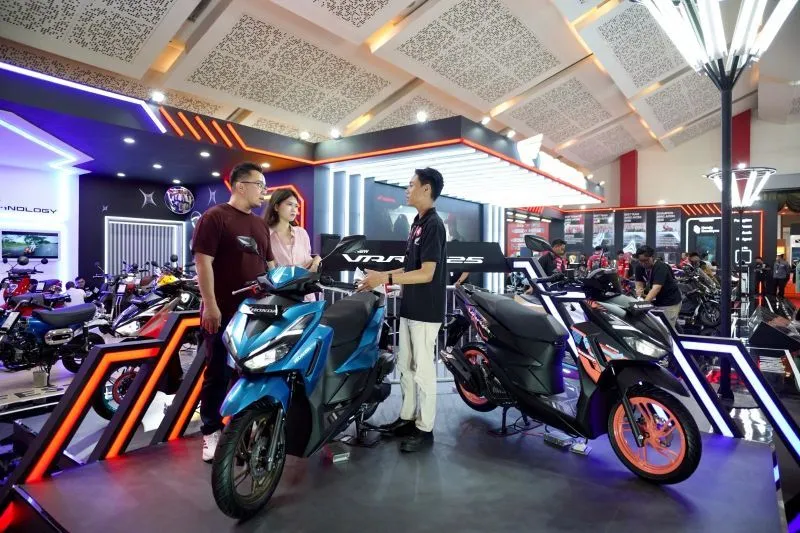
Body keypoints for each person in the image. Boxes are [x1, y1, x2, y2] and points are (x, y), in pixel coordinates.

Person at [358, 168, 447, 453]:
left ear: (426, 189)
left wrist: (384, 278)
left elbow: (427, 273)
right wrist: (381, 275)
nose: (406, 190)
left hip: (426, 311)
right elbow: (410, 267)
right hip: (410, 308)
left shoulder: (434, 225)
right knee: (406, 367)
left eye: (411, 185)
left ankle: (425, 427)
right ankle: (407, 418)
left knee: (423, 371)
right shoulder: (417, 223)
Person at [192, 162, 276, 462]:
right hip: (223, 311)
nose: (264, 192)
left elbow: (270, 266)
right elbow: (203, 263)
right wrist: (210, 304)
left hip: (257, 313)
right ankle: (211, 431)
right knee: (217, 372)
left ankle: (244, 427)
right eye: (259, 185)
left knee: (252, 372)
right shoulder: (215, 217)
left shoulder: (260, 225)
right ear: (241, 186)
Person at [263, 188, 320, 301]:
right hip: (281, 298)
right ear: (276, 207)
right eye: (289, 204)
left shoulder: (302, 233)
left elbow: (309, 259)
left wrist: (316, 262)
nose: (294, 209)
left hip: (307, 297)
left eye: (296, 206)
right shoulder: (266, 236)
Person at [635, 245, 683, 327]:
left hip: (669, 302)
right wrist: (639, 291)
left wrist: (642, 305)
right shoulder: (639, 267)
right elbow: (639, 282)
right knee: (656, 326)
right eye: (641, 261)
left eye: (646, 260)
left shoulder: (661, 267)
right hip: (655, 302)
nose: (643, 263)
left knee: (665, 328)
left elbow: (656, 288)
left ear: (652, 257)